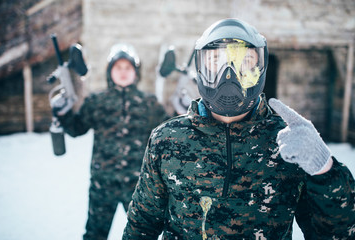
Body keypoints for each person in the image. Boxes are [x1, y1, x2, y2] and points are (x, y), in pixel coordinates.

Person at [122, 19, 355, 239]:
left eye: (244, 62)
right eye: (215, 62)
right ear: (200, 68)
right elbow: (142, 223)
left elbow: (337, 233)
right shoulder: (167, 139)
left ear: (261, 67)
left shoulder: (289, 142)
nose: (229, 75)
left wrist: (326, 171)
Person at [54, 43, 168, 240]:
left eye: (128, 68)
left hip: (138, 185)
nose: (123, 72)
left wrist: (180, 112)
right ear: (110, 72)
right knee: (95, 235)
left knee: (143, 235)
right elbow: (76, 129)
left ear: (136, 72)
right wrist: (62, 113)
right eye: (118, 67)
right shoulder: (97, 101)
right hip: (102, 183)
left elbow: (168, 133)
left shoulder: (150, 103)